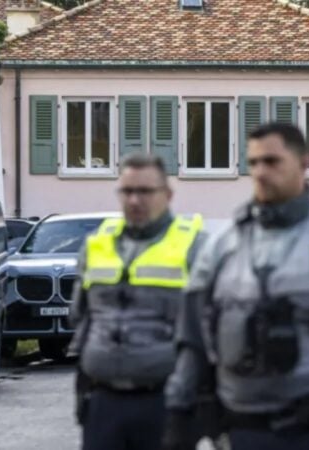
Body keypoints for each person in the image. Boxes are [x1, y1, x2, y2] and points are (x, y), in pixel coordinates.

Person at [162, 123, 309, 450]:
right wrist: (180, 414)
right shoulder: (222, 246)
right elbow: (193, 339)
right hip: (241, 430)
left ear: (304, 163)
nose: (260, 172)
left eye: (272, 161)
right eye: (253, 163)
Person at [68, 153, 208, 450]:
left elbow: (206, 334)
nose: (134, 200)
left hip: (165, 402)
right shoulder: (96, 244)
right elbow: (81, 317)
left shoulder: (194, 246)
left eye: (145, 191)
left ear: (167, 194)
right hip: (102, 401)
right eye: (127, 191)